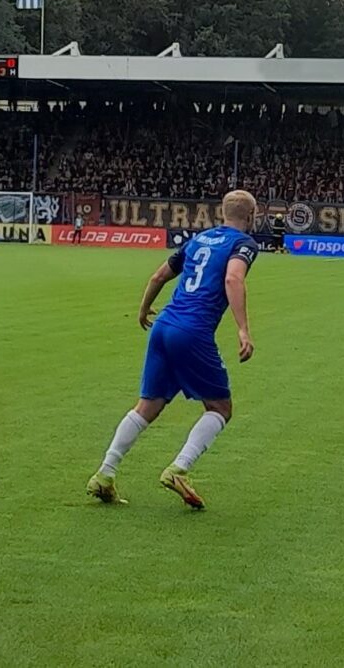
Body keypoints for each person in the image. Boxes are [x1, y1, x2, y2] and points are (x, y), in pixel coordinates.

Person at [88, 189, 261, 509]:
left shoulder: (198, 240)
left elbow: (159, 275)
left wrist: (144, 309)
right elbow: (233, 279)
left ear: (223, 213)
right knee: (221, 408)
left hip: (164, 326)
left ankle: (105, 474)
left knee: (148, 406)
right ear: (250, 217)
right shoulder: (243, 244)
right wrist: (243, 328)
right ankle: (179, 469)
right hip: (192, 332)